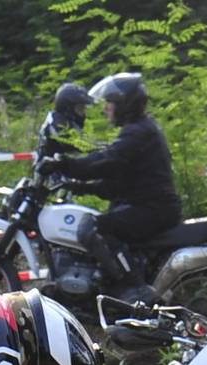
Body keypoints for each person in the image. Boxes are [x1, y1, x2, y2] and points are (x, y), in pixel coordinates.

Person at [40, 71, 180, 301]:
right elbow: (117, 184)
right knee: (104, 221)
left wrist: (63, 164)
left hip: (153, 209)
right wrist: (78, 186)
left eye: (111, 103)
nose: (106, 108)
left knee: (95, 228)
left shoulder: (138, 132)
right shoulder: (140, 129)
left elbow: (105, 161)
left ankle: (135, 289)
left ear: (126, 105)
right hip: (151, 205)